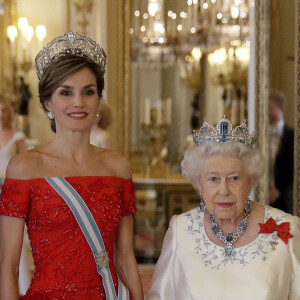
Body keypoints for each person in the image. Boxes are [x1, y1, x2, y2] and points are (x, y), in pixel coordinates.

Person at [0, 32, 143, 299]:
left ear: (98, 99)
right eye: (66, 92)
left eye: (88, 92)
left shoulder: (118, 167)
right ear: (47, 103)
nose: (78, 102)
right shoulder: (24, 168)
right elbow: (7, 266)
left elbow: (125, 259)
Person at [148, 117, 300, 299]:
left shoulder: (287, 227)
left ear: (250, 181)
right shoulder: (180, 229)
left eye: (234, 178)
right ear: (199, 184)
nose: (223, 191)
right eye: (213, 179)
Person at [0, 98, 33, 296]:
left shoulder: (17, 137)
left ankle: (19, 285)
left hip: (10, 193)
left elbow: (26, 167)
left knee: (13, 237)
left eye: (4, 110)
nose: (1, 114)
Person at [268, 90, 294, 213]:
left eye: (270, 109)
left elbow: (293, 168)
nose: (267, 113)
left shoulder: (293, 136)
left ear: (281, 109)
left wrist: (276, 190)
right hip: (260, 197)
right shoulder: (258, 134)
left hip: (284, 199)